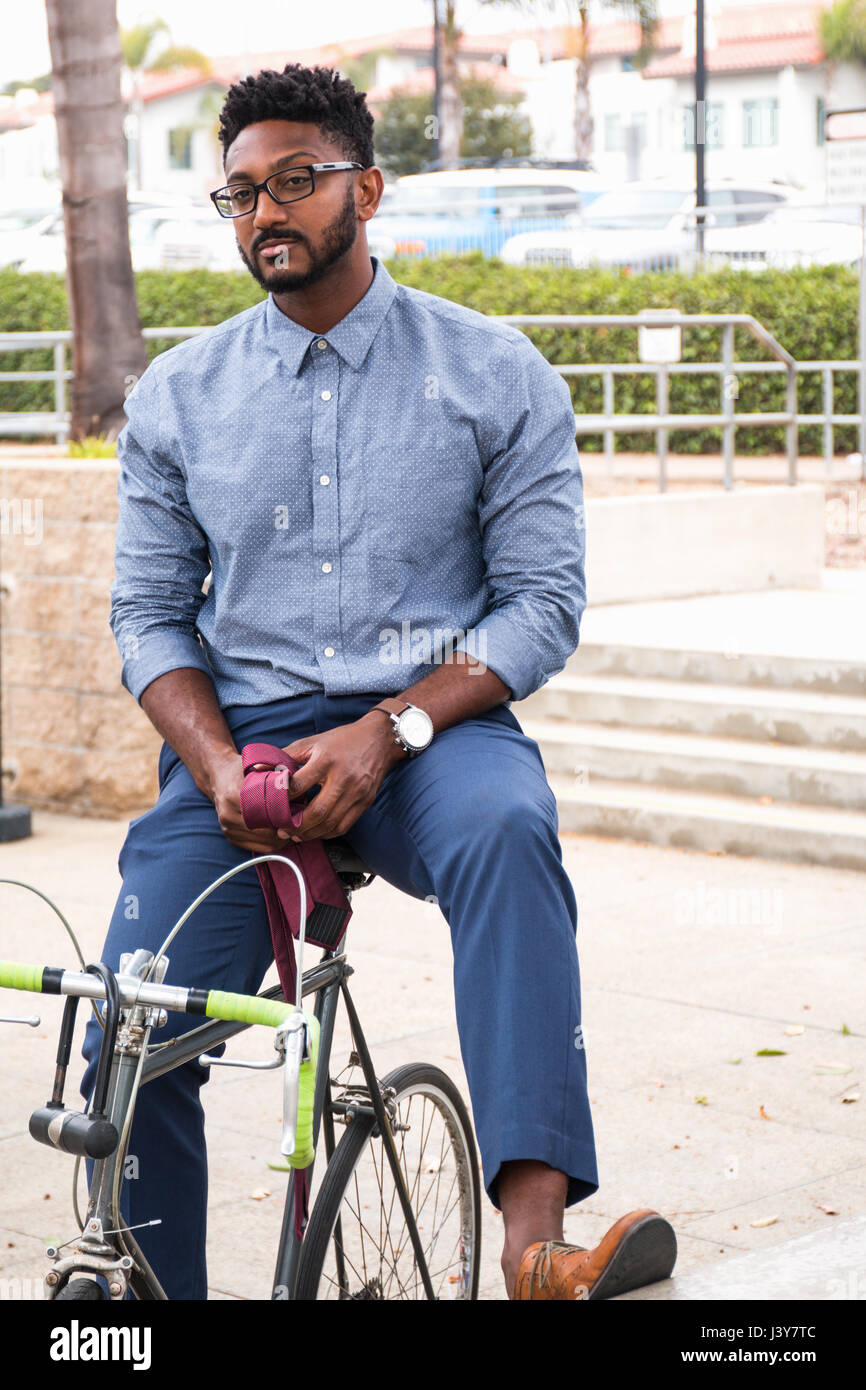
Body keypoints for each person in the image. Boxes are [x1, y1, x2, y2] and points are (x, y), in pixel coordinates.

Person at [83, 62, 676, 1301]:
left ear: (367, 184)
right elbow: (146, 613)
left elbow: (538, 604)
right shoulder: (179, 398)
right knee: (134, 1020)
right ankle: (149, 1302)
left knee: (510, 834)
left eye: (295, 180)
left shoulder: (494, 371)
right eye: (240, 192)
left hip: (430, 729)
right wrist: (211, 767)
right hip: (237, 749)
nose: (266, 213)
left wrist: (390, 727)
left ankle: (534, 1245)